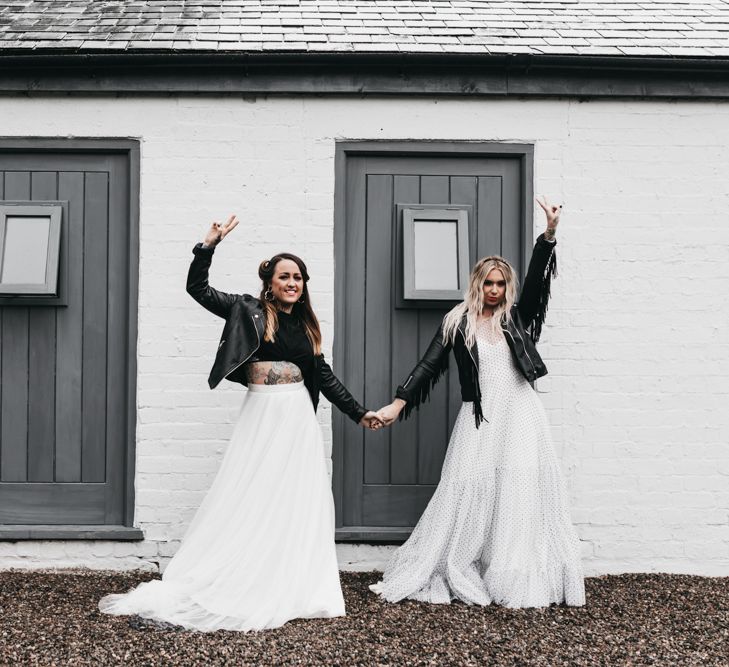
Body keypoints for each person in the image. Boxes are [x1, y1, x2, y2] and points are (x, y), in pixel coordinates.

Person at [99, 215, 383, 632]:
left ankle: (296, 585)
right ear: (270, 282)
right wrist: (207, 245)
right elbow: (197, 289)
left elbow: (323, 376)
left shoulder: (307, 327)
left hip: (296, 419)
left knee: (297, 499)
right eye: (285, 276)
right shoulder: (247, 309)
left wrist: (359, 412)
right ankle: (245, 578)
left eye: (299, 277)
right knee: (254, 493)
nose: (293, 283)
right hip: (263, 414)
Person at [370, 197, 585, 608]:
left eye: (501, 284)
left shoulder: (516, 319)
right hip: (481, 417)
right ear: (477, 283)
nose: (494, 290)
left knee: (517, 489)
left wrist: (549, 235)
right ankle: (459, 562)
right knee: (470, 485)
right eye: (488, 283)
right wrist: (398, 404)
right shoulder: (458, 321)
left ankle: (512, 571)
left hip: (521, 412)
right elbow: (428, 366)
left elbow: (539, 283)